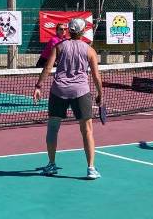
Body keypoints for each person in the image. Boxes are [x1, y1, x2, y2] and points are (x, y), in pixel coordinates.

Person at [33, 18, 104, 180]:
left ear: (70, 31)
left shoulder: (59, 47)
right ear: (82, 31)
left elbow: (48, 67)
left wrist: (38, 86)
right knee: (87, 130)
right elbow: (96, 76)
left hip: (59, 91)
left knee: (52, 128)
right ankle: (91, 168)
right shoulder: (89, 50)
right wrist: (100, 94)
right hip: (81, 91)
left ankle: (51, 164)